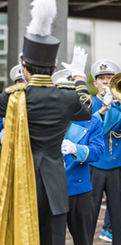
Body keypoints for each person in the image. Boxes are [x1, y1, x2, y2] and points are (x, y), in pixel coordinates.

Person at [0, 3, 92, 242]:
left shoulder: (15, 96)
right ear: (55, 66)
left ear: (24, 67)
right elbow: (86, 110)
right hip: (56, 184)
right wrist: (79, 76)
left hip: (22, 182)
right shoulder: (68, 97)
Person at [53, 69, 105, 245]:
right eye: (62, 91)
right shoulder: (44, 119)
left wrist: (77, 149)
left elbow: (98, 151)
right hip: (52, 191)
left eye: (72, 91)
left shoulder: (91, 120)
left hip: (79, 191)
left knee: (84, 241)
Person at [89, 59, 121, 243]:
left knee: (117, 215)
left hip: (117, 164)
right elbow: (88, 128)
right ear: (95, 83)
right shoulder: (91, 103)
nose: (106, 82)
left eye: (110, 78)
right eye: (101, 78)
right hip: (96, 164)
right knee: (90, 213)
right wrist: (103, 109)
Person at [0, 65, 26, 148]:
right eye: (20, 82)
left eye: (26, 81)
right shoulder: (8, 105)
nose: (23, 84)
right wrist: (0, 138)